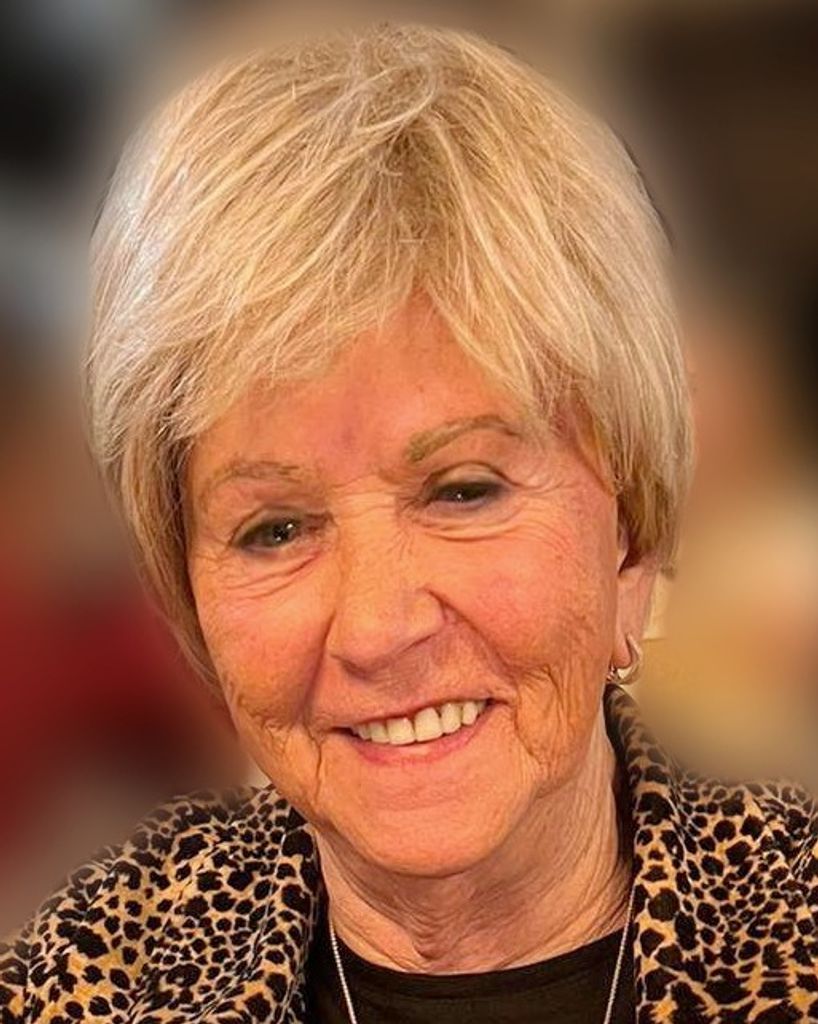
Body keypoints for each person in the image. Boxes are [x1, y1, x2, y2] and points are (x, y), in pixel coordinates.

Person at [2, 21, 817, 1024]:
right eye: (275, 529)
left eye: (462, 491)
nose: (379, 628)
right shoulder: (80, 983)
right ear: (191, 601)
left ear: (631, 541)